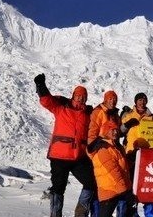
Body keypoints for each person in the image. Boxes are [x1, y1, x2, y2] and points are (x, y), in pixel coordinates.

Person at [34, 73, 96, 217]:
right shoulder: (62, 106)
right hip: (59, 156)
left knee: (92, 182)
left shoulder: (88, 114)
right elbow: (47, 101)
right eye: (78, 95)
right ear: (73, 95)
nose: (81, 98)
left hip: (78, 157)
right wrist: (41, 86)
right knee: (58, 188)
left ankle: (80, 213)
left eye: (83, 96)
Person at [119, 92, 153, 217]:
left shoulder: (152, 117)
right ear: (135, 102)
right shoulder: (128, 115)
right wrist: (128, 124)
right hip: (130, 155)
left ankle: (151, 214)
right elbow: (119, 131)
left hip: (146, 157)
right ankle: (129, 214)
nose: (142, 102)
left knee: (147, 188)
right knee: (129, 187)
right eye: (139, 100)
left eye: (144, 100)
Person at [87, 121, 135, 217]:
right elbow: (113, 172)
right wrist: (125, 191)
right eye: (112, 130)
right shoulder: (103, 148)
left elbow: (122, 167)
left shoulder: (116, 147)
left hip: (118, 189)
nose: (115, 132)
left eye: (116, 130)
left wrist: (132, 158)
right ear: (105, 131)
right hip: (109, 190)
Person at [88, 90, 121, 215]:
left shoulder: (115, 114)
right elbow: (92, 132)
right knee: (100, 187)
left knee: (109, 186)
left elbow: (118, 133)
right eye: (110, 99)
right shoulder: (98, 112)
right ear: (105, 100)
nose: (113, 101)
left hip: (112, 149)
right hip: (99, 151)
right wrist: (93, 150)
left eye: (115, 99)